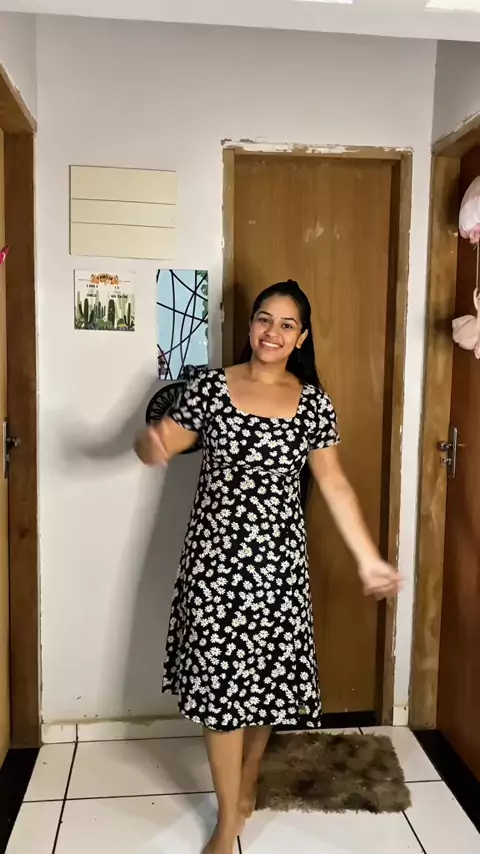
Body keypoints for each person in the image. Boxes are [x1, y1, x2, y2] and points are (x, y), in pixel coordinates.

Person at [134, 279, 401, 854]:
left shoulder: (313, 403)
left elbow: (334, 484)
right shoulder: (211, 387)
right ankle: (227, 819)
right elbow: (164, 441)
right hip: (215, 564)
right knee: (220, 693)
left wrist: (368, 558)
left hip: (278, 566)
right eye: (263, 319)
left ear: (301, 337)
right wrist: (149, 445)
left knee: (265, 684)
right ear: (251, 324)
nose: (271, 332)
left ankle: (250, 772)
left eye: (286, 324)